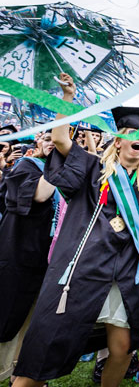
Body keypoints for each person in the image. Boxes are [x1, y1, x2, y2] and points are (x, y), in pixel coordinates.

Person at [13, 73, 139, 387]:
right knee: (44, 352)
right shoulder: (92, 168)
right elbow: (59, 140)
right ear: (119, 138)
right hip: (82, 272)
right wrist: (67, 98)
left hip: (125, 275)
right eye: (133, 132)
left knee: (122, 349)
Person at [0, 131, 56, 382]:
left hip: (48, 259)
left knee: (35, 323)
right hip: (19, 255)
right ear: (36, 144)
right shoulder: (26, 166)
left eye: (59, 137)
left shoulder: (67, 170)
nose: (53, 141)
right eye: (47, 137)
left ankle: (19, 375)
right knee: (10, 316)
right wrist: (60, 162)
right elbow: (40, 195)